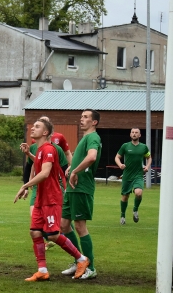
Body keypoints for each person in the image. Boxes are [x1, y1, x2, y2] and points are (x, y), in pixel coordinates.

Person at [15, 118, 89, 281]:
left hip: (52, 198)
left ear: (46, 132)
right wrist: (29, 154)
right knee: (35, 232)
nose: (32, 129)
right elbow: (40, 163)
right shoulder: (40, 149)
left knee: (53, 234)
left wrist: (24, 186)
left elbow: (45, 172)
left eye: (37, 126)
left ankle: (81, 259)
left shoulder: (49, 149)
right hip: (41, 198)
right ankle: (42, 270)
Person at [60, 109, 102, 280]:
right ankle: (79, 261)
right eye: (82, 116)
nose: (82, 119)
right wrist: (72, 167)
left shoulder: (93, 137)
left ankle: (90, 267)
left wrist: (75, 171)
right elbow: (82, 159)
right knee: (63, 225)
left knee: (80, 226)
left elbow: (92, 157)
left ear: (94, 122)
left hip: (81, 187)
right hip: (72, 189)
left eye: (86, 117)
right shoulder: (85, 138)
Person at [115, 128, 152, 225]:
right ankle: (122, 216)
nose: (134, 134)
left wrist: (147, 167)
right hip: (127, 175)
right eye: (133, 132)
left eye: (136, 133)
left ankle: (135, 210)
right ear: (130, 134)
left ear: (140, 135)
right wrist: (120, 165)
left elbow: (149, 157)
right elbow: (117, 157)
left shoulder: (144, 147)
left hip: (138, 175)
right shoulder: (125, 146)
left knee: (138, 193)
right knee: (125, 197)